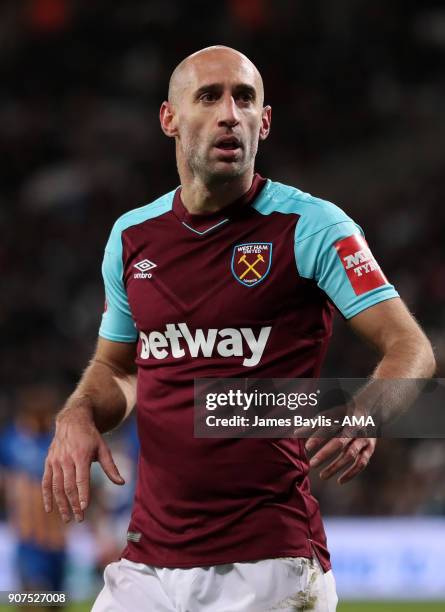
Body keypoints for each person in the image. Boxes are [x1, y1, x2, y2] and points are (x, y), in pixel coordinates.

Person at [42, 46, 435, 612]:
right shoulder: (132, 237)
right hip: (146, 563)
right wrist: (79, 413)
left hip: (268, 566)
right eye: (209, 97)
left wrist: (364, 411)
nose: (230, 113)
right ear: (169, 119)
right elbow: (119, 369)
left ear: (264, 122)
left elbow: (412, 347)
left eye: (244, 99)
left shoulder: (312, 226)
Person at [0, 385, 67, 611]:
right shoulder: (10, 441)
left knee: (55, 603)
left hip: (57, 541)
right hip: (29, 538)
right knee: (35, 599)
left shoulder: (57, 441)